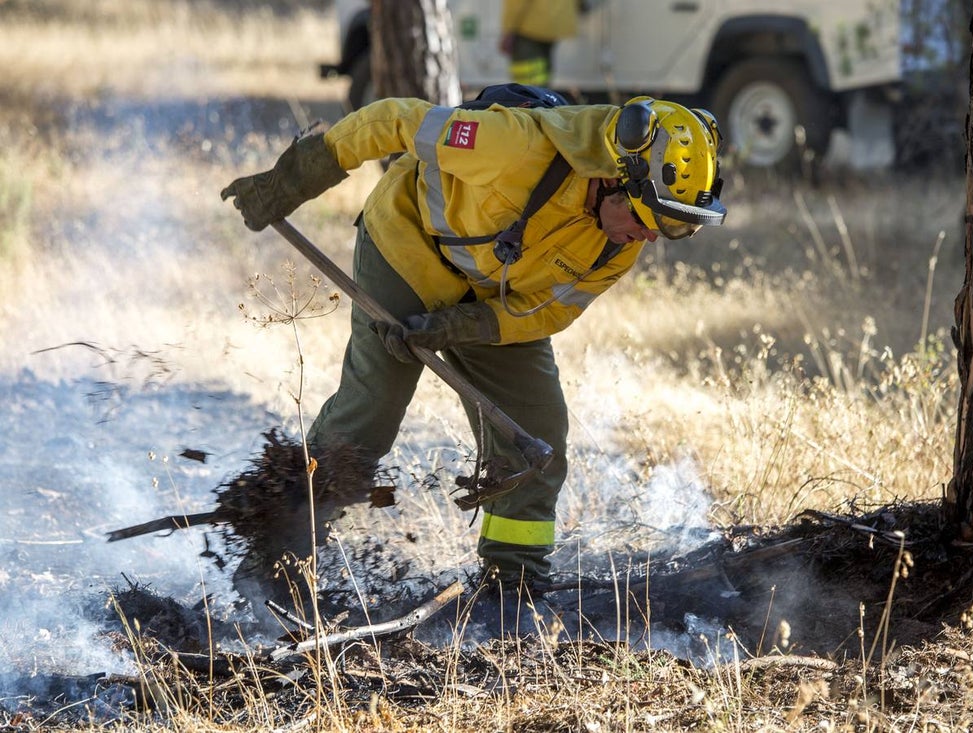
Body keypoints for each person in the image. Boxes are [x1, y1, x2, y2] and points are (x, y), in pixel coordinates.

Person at [220, 91, 727, 610]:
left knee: (536, 431)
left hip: (490, 301)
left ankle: (512, 587)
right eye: (647, 220)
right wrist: (294, 179)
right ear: (612, 179)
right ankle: (273, 563)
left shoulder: (620, 243)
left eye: (670, 229)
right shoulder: (517, 146)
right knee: (371, 411)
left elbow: (550, 309)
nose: (648, 238)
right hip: (408, 250)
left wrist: (467, 324)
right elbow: (394, 120)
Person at [499, 0, 579, 86]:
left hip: (529, 26)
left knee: (526, 74)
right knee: (542, 72)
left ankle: (529, 96)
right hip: (556, 22)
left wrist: (509, 30)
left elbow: (516, 3)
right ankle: (542, 95)